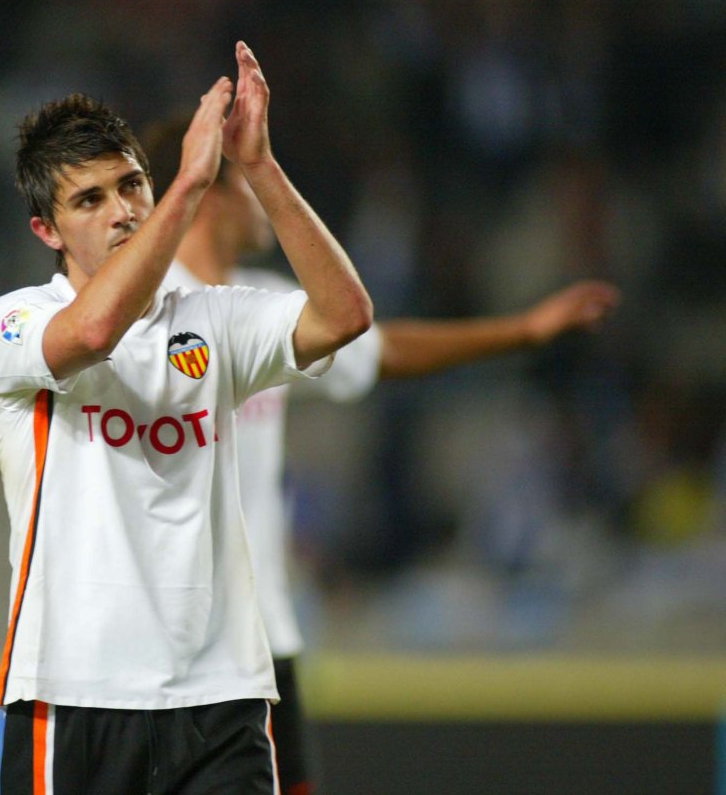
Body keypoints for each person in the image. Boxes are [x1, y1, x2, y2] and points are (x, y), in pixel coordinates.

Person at [142, 116, 621, 795]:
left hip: (262, 642)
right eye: (247, 183)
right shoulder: (140, 318)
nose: (261, 203)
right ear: (209, 194)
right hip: (167, 648)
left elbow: (379, 348)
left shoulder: (262, 304)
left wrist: (523, 329)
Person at [0, 41, 372, 794]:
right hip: (75, 692)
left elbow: (346, 315)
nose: (122, 210)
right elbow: (94, 334)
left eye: (132, 185)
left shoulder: (214, 320)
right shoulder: (17, 322)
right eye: (89, 200)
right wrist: (191, 184)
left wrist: (257, 167)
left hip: (221, 694)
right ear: (47, 232)